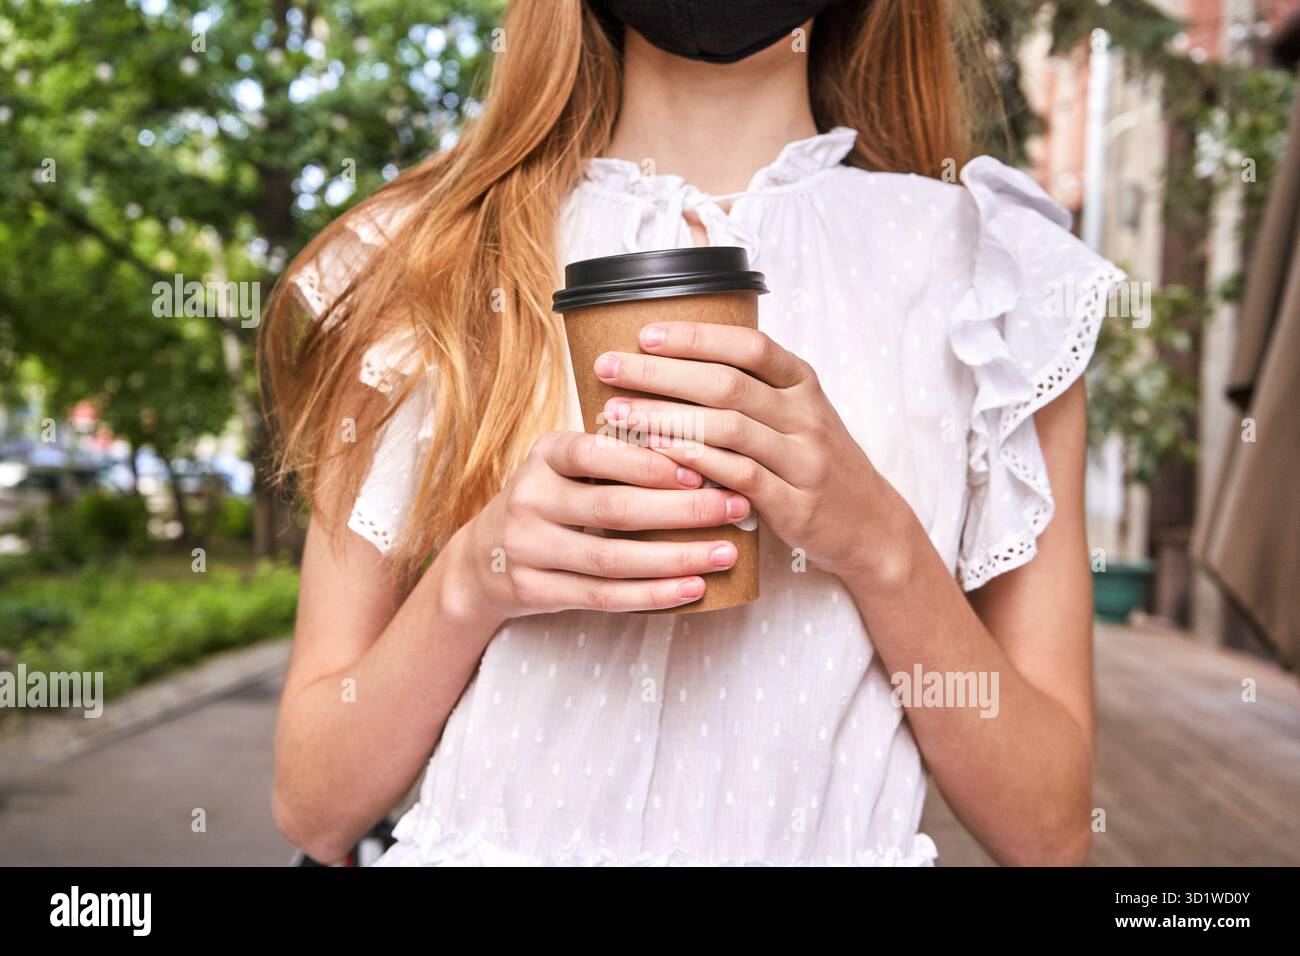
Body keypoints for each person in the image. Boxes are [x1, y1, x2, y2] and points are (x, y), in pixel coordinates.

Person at [263, 0, 1121, 866]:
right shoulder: (428, 265)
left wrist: (881, 545)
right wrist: (474, 580)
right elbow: (314, 802)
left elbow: (1049, 833)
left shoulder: (994, 283)